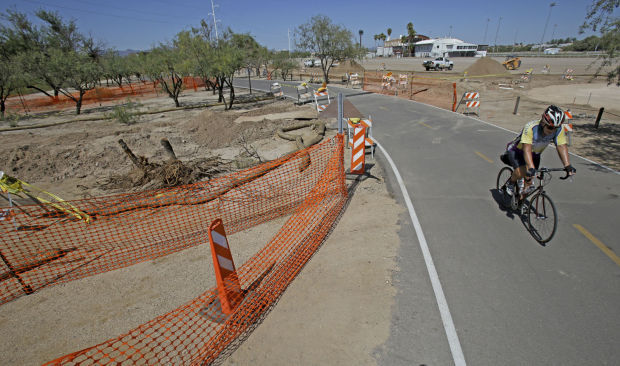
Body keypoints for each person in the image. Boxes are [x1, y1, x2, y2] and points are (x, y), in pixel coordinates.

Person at [502, 105, 576, 196]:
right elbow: (527, 148)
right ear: (543, 122)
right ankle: (511, 182)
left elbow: (561, 146)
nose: (553, 131)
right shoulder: (531, 127)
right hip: (517, 151)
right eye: (550, 127)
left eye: (555, 128)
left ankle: (521, 204)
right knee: (522, 171)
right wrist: (531, 167)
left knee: (529, 184)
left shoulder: (558, 130)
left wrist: (567, 165)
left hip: (535, 155)